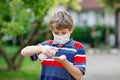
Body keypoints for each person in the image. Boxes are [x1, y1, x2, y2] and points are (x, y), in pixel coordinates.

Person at [21, 11, 86, 80]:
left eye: (64, 33)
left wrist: (64, 62)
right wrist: (41, 48)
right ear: (51, 30)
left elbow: (78, 76)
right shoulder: (47, 45)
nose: (60, 36)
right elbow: (23, 52)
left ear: (71, 29)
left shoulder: (77, 47)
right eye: (56, 33)